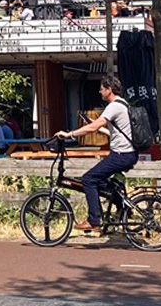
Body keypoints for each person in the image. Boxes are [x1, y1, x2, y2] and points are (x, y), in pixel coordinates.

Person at [54, 75, 138, 234]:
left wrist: (69, 134)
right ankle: (123, 206)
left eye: (102, 88)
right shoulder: (123, 104)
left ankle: (94, 220)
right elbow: (114, 132)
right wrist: (95, 126)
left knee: (88, 179)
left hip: (121, 154)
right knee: (100, 182)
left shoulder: (113, 106)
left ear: (109, 90)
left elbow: (93, 128)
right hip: (127, 154)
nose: (99, 91)